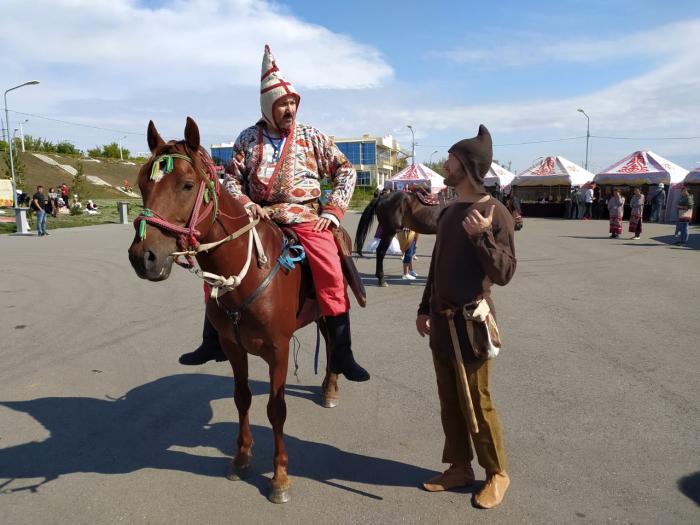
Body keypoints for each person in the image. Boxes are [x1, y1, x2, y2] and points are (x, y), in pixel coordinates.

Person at [179, 45, 369, 382]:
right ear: (269, 107)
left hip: (306, 217)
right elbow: (231, 180)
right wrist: (246, 203)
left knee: (328, 263)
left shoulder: (312, 136)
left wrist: (334, 211)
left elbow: (345, 169)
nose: (290, 108)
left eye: (293, 102)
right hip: (257, 216)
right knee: (216, 265)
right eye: (283, 103)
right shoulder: (248, 139)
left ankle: (341, 351)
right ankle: (212, 340)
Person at [416, 125, 515, 509]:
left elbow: (505, 273)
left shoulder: (494, 213)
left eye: (452, 157)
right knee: (449, 400)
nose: (445, 161)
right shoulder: (450, 210)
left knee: (478, 400)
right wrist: (424, 308)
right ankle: (459, 466)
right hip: (441, 321)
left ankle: (497, 473)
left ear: (468, 166)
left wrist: (483, 237)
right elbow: (436, 267)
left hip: (471, 325)